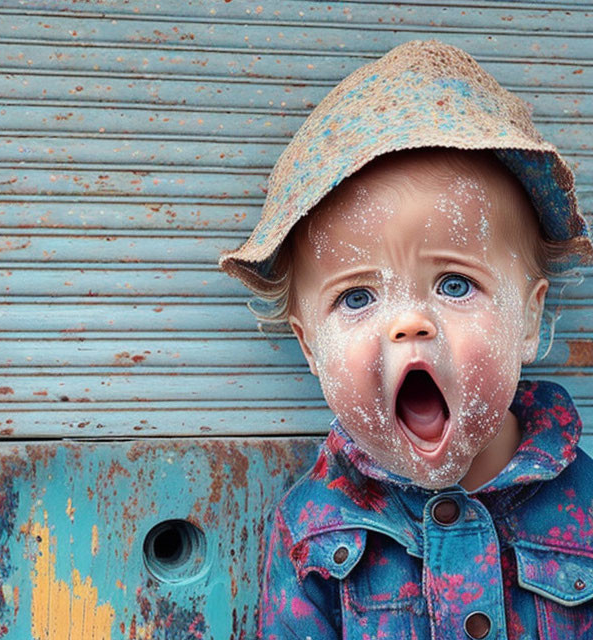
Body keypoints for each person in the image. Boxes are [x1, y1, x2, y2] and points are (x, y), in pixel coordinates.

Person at [218, 40, 593, 639]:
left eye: (454, 283)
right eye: (358, 297)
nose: (408, 325)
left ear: (527, 320)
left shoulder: (588, 512)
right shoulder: (312, 532)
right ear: (311, 348)